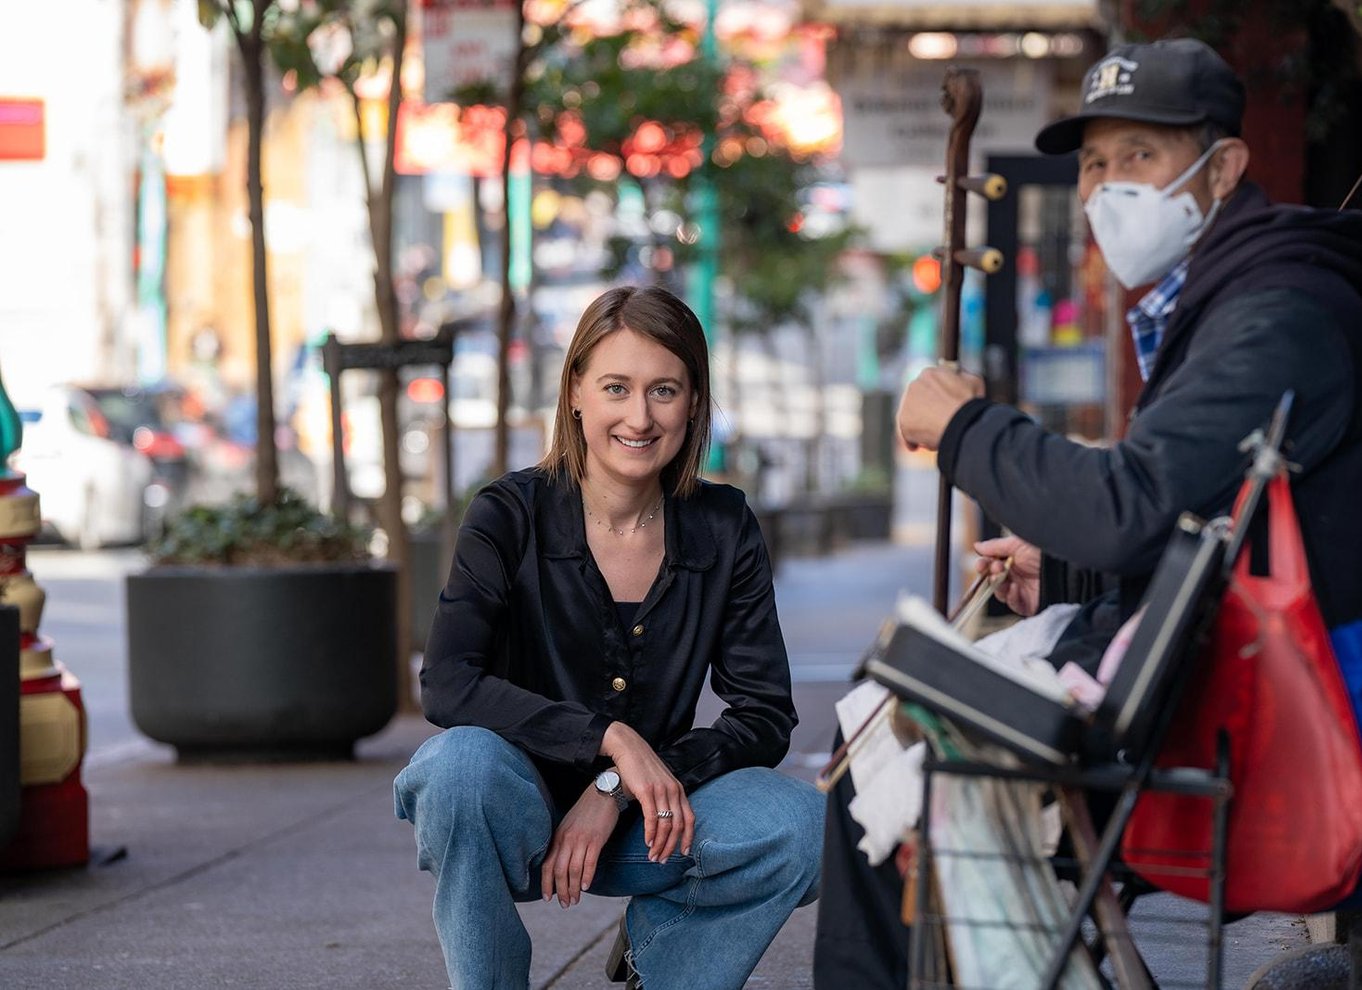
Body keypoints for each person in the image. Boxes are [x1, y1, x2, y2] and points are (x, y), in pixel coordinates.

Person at [813, 37, 1362, 989]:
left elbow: (1129, 504)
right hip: (1190, 673)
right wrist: (1063, 571)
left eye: (1140, 156)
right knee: (889, 721)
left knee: (883, 746)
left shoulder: (1275, 313)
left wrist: (966, 428)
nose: (1108, 187)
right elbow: (1189, 518)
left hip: (1242, 714)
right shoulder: (1228, 299)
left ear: (1222, 168)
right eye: (1096, 164)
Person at [395, 285, 823, 990]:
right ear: (575, 392)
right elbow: (447, 683)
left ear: (694, 402)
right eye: (616, 387)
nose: (639, 416)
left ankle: (662, 953)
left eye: (664, 390)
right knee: (457, 770)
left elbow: (764, 713)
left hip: (649, 820)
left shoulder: (723, 525)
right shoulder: (509, 514)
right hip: (513, 809)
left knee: (803, 827)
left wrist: (616, 785)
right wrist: (610, 739)